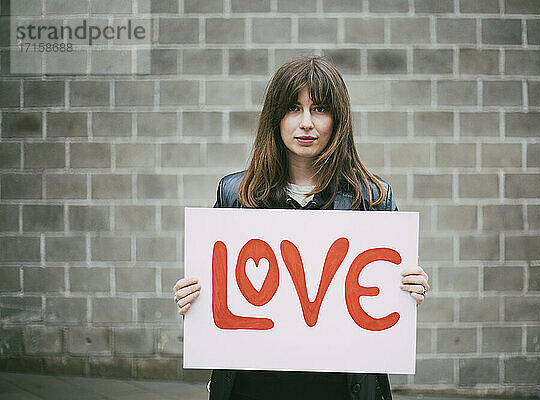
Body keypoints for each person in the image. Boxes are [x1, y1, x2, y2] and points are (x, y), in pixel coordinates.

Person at [173, 56, 430, 400]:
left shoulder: (372, 198)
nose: (306, 123)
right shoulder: (236, 195)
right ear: (275, 118)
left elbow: (386, 303)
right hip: (254, 388)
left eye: (319, 109)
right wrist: (193, 297)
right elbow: (217, 297)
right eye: (294, 108)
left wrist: (410, 289)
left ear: (337, 121)